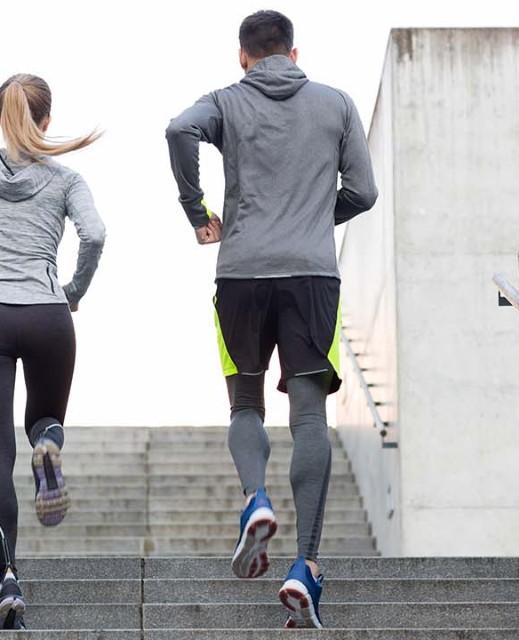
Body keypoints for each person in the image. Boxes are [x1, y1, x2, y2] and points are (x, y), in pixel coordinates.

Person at [165, 9, 377, 629]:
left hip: (240, 274)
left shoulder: (226, 101)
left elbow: (179, 130)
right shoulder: (336, 104)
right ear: (294, 49)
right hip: (313, 276)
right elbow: (362, 192)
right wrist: (313, 216)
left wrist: (196, 209)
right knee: (309, 414)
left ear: (243, 55)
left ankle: (255, 499)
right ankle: (303, 565)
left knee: (245, 406)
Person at [0, 73, 105, 631]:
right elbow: (96, 235)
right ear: (47, 120)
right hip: (47, 312)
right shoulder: (66, 178)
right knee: (44, 419)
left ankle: (7, 578)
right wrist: (73, 291)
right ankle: (48, 445)